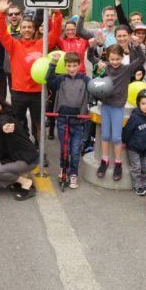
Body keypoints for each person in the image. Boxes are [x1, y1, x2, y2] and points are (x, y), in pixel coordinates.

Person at [0, 0, 62, 145]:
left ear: (33, 30)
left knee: (38, 124)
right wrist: (1, 13)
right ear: (21, 29)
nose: (27, 30)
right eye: (24, 27)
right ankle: (23, 147)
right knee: (19, 122)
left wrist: (57, 13)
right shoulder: (14, 45)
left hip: (38, 92)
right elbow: (1, 33)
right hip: (18, 92)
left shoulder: (41, 44)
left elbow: (56, 33)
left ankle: (40, 149)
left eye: (29, 27)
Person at [95, 45, 145, 181]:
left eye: (117, 59)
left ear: (122, 58)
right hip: (106, 105)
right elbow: (93, 63)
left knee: (117, 137)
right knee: (105, 135)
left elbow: (141, 59)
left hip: (117, 107)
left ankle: (118, 162)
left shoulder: (127, 69)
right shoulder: (106, 67)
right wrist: (97, 65)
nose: (115, 62)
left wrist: (137, 46)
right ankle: (104, 160)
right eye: (112, 59)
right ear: (108, 58)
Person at [45, 51, 90, 190]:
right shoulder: (61, 79)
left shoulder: (85, 79)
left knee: (75, 150)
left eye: (74, 65)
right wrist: (53, 63)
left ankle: (74, 173)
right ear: (65, 66)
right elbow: (49, 79)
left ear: (79, 65)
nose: (72, 69)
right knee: (65, 148)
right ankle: (63, 168)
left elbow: (96, 87)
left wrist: (101, 71)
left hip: (78, 121)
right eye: (69, 66)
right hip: (63, 120)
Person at [0, 94, 40, 200]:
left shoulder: (3, 118)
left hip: (28, 159)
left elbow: (4, 123)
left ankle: (26, 183)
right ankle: (18, 179)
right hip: (18, 156)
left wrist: (5, 127)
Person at [122, 89, 146, 196]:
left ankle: (145, 183)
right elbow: (127, 130)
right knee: (136, 168)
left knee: (145, 167)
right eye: (143, 103)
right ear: (138, 103)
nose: (145, 106)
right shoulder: (135, 117)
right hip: (134, 148)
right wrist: (124, 140)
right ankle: (138, 185)